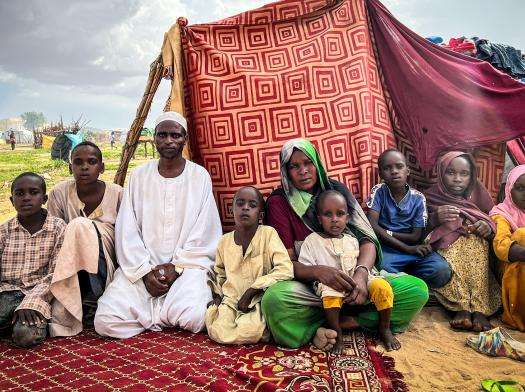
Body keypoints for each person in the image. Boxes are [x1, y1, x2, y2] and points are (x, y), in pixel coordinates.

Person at [263, 138, 428, 350]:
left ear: (317, 164)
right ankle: (339, 321)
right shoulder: (279, 202)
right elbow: (286, 262)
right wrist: (320, 272)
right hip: (314, 290)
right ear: (286, 171)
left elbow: (367, 239)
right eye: (294, 166)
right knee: (273, 301)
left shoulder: (336, 190)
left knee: (417, 290)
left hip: (357, 282)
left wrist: (360, 276)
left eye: (307, 163)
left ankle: (344, 323)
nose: (303, 171)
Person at [94, 112, 222, 338]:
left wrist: (178, 267)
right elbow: (128, 230)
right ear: (154, 138)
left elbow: (205, 231)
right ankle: (163, 316)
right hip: (143, 267)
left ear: (184, 139)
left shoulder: (199, 176)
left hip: (187, 268)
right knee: (105, 321)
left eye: (175, 135)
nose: (169, 141)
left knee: (195, 316)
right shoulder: (139, 176)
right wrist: (145, 272)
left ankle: (152, 315)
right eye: (162, 135)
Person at [300, 190, 399, 353]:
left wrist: (361, 281)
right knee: (330, 292)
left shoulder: (352, 240)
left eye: (340, 214)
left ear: (347, 217)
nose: (334, 220)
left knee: (383, 287)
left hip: (356, 282)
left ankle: (384, 328)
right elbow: (307, 268)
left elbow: (362, 267)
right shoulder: (312, 241)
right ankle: (337, 333)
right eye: (327, 214)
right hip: (329, 286)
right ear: (319, 218)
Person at [47, 141, 123, 336]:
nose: (84, 167)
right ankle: (78, 299)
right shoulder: (59, 193)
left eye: (92, 161)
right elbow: (54, 234)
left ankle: (95, 298)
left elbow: (127, 234)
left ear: (102, 167)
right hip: (70, 260)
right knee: (77, 229)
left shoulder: (118, 193)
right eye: (78, 162)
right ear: (70, 166)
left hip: (107, 259)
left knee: (81, 226)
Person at [206, 186, 293, 344]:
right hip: (231, 301)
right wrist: (218, 297)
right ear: (232, 211)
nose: (245, 208)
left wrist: (253, 290)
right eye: (240, 203)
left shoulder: (268, 234)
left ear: (260, 215)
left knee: (251, 331)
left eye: (252, 205)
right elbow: (220, 273)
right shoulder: (224, 241)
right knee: (216, 330)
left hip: (257, 300)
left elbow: (285, 269)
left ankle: (261, 328)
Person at [424, 151, 500, 331]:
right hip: (446, 243)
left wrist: (487, 227)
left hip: (476, 243)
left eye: (464, 174)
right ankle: (462, 308)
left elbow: (494, 218)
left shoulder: (478, 195)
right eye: (451, 173)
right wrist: (435, 218)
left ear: (471, 176)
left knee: (477, 250)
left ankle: (480, 310)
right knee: (456, 256)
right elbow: (417, 226)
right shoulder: (428, 196)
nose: (457, 179)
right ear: (441, 174)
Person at [366, 149, 451, 288]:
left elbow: (415, 236)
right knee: (381, 268)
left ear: (408, 171)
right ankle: (407, 280)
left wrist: (388, 232)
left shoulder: (418, 198)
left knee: (441, 270)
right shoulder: (379, 191)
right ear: (380, 174)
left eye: (399, 166)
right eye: (387, 168)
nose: (394, 171)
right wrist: (406, 247)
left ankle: (405, 277)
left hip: (413, 249)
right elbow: (372, 226)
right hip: (388, 249)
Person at [0, 172, 65, 347]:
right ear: (12, 200)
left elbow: (56, 273)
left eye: (33, 192)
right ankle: (10, 320)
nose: (26, 198)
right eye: (20, 194)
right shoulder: (4, 231)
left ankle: (17, 324)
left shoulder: (58, 228)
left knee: (25, 336)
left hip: (39, 296)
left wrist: (31, 302)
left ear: (44, 198)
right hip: (6, 293)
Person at [490, 165, 525, 331]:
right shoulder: (501, 213)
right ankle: (518, 315)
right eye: (519, 188)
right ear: (509, 189)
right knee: (522, 236)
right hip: (508, 268)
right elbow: (501, 246)